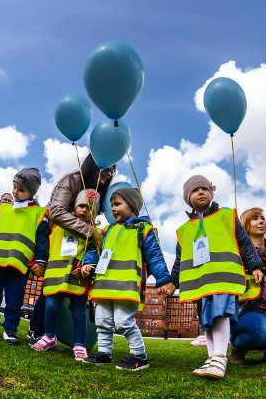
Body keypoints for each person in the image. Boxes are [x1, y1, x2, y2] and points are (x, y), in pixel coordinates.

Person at [167, 175, 262, 379]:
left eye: (204, 188)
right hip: (201, 284)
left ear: (211, 192)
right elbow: (180, 259)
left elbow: (244, 242)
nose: (200, 192)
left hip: (224, 279)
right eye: (195, 190)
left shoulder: (227, 216)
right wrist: (172, 282)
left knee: (220, 315)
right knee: (207, 321)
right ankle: (212, 359)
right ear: (187, 198)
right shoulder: (185, 230)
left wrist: (254, 265)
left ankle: (220, 357)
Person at [81, 187, 172, 371]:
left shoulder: (143, 229)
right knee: (102, 321)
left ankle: (140, 356)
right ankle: (104, 353)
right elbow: (94, 250)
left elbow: (155, 256)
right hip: (104, 286)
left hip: (127, 287)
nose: (113, 209)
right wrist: (88, 264)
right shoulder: (106, 231)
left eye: (117, 204)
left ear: (132, 206)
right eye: (112, 205)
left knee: (123, 322)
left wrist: (164, 279)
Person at [29, 155, 116, 344]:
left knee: (65, 292)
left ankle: (52, 334)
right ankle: (38, 331)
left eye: (111, 171)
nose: (108, 173)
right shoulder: (72, 180)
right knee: (51, 288)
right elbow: (57, 212)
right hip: (55, 236)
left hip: (75, 244)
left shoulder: (98, 192)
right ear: (93, 165)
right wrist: (90, 231)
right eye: (105, 168)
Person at [0, 168, 50, 345]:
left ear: (32, 192)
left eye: (21, 189)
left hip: (20, 265)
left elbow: (42, 241)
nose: (15, 192)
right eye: (14, 187)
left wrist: (41, 262)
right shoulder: (4, 208)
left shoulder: (39, 213)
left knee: (15, 299)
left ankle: (10, 329)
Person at [33, 189, 100, 361]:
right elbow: (44, 243)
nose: (84, 210)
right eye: (81, 206)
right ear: (74, 206)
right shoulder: (56, 223)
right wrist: (38, 262)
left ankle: (79, 344)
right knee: (51, 307)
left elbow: (92, 252)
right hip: (54, 275)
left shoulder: (92, 232)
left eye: (89, 208)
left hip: (76, 276)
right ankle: (49, 336)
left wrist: (88, 266)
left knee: (78, 313)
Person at [230, 208, 266, 364]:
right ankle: (237, 345)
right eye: (255, 219)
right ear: (245, 226)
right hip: (246, 312)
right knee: (265, 333)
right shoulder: (238, 253)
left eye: (262, 218)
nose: (261, 221)